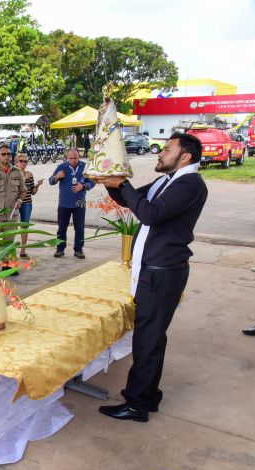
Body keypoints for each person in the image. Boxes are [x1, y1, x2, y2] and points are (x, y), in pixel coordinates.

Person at [98, 132, 208, 422]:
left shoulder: (190, 184)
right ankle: (148, 395)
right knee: (151, 338)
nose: (160, 153)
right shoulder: (166, 181)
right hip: (152, 271)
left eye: (168, 149)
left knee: (147, 340)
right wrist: (109, 180)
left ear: (185, 156)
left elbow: (149, 213)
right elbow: (130, 199)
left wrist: (123, 184)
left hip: (162, 274)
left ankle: (137, 405)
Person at [48, 148, 94, 259]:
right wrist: (57, 177)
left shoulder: (85, 167)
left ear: (79, 156)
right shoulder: (61, 167)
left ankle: (79, 250)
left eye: (75, 158)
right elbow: (50, 181)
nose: (73, 160)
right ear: (67, 157)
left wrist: (83, 186)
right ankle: (60, 248)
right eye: (70, 158)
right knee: (62, 227)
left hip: (80, 202)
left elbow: (92, 181)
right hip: (64, 202)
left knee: (80, 227)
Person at [15, 153, 43, 258]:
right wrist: (23, 178)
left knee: (24, 226)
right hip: (15, 204)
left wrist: (37, 185)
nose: (23, 163)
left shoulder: (30, 174)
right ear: (16, 162)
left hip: (27, 203)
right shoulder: (13, 173)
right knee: (10, 227)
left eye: (25, 161)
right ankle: (9, 250)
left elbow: (32, 192)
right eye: (21, 161)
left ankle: (22, 250)